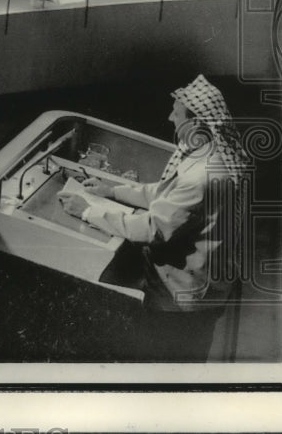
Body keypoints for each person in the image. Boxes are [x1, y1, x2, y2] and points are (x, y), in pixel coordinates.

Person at [59, 74, 251, 360]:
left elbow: (154, 228)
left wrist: (87, 211)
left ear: (196, 122)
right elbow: (163, 193)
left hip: (184, 300)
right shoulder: (205, 155)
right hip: (195, 289)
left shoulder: (202, 176)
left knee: (172, 366)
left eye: (176, 112)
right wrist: (113, 191)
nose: (170, 117)